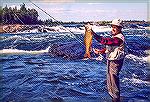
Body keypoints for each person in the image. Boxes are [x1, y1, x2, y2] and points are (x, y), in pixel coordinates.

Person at [88, 19, 125, 102]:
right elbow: (110, 47)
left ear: (120, 28)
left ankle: (116, 98)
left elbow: (106, 41)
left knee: (113, 79)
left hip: (115, 62)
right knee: (109, 79)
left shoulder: (119, 38)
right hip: (111, 60)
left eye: (115, 27)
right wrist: (100, 51)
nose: (113, 29)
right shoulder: (115, 37)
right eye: (112, 27)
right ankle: (113, 96)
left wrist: (94, 34)